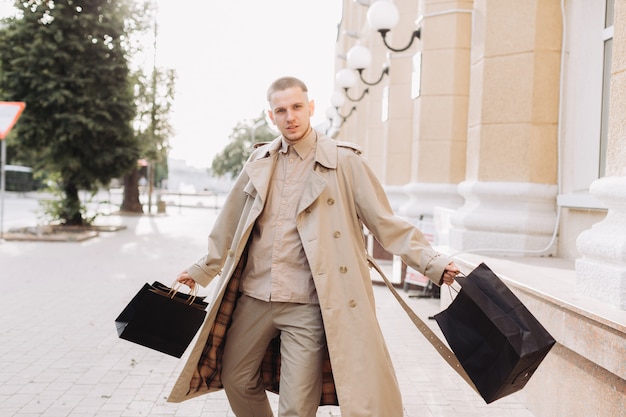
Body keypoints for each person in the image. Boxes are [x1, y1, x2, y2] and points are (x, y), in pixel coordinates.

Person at [167, 76, 459, 417]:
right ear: (270, 116)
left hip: (306, 304)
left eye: (296, 107)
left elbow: (385, 223)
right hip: (254, 297)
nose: (290, 116)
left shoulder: (344, 161)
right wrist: (202, 270)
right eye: (281, 110)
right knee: (235, 378)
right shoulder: (259, 161)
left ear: (310, 108)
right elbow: (229, 222)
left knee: (297, 408)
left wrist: (432, 263)